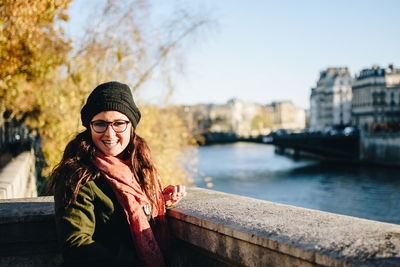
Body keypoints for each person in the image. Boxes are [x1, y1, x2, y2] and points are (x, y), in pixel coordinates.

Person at [49, 81, 186, 267]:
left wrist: (158, 199)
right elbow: (75, 244)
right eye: (100, 124)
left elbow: (131, 207)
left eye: (118, 123)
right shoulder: (77, 175)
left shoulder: (139, 165)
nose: (109, 133)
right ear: (89, 127)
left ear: (131, 126)